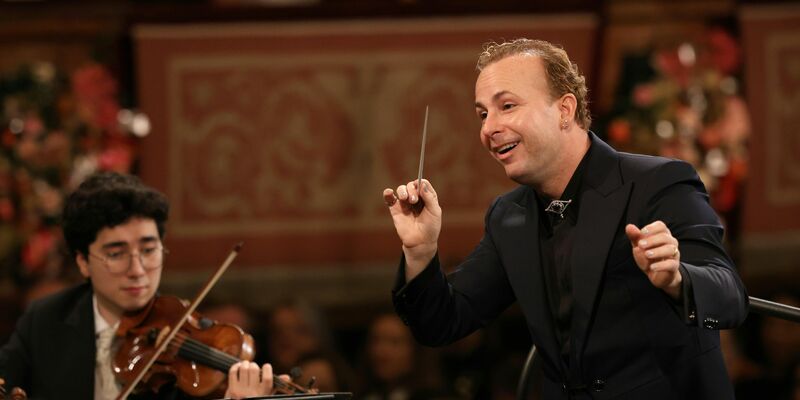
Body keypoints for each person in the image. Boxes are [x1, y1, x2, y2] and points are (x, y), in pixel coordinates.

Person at [382, 38, 748, 399]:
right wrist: (421, 249)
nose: (488, 128)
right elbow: (442, 324)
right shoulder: (508, 216)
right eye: (482, 113)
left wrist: (676, 278)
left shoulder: (657, 183)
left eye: (507, 106)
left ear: (565, 109)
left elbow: (729, 297)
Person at [0, 172, 279, 399]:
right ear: (83, 262)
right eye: (116, 253)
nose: (137, 270)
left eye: (148, 250)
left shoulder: (189, 354)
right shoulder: (46, 320)